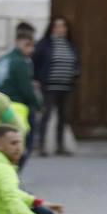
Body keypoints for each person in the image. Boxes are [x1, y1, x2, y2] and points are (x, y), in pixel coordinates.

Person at [31, 16, 80, 156]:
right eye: (57, 26)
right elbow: (35, 62)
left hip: (66, 86)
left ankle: (60, 145)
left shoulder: (70, 45)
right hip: (49, 86)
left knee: (63, 116)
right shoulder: (44, 44)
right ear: (52, 28)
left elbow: (75, 62)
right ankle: (41, 145)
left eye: (63, 26)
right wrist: (35, 78)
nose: (60, 29)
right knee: (46, 115)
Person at [0, 34, 41, 171]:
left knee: (3, 141)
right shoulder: (20, 62)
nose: (31, 50)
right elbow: (26, 89)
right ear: (19, 43)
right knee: (22, 143)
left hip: (1, 105)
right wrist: (38, 104)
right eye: (28, 45)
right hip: (19, 106)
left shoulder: (2, 60)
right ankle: (13, 174)